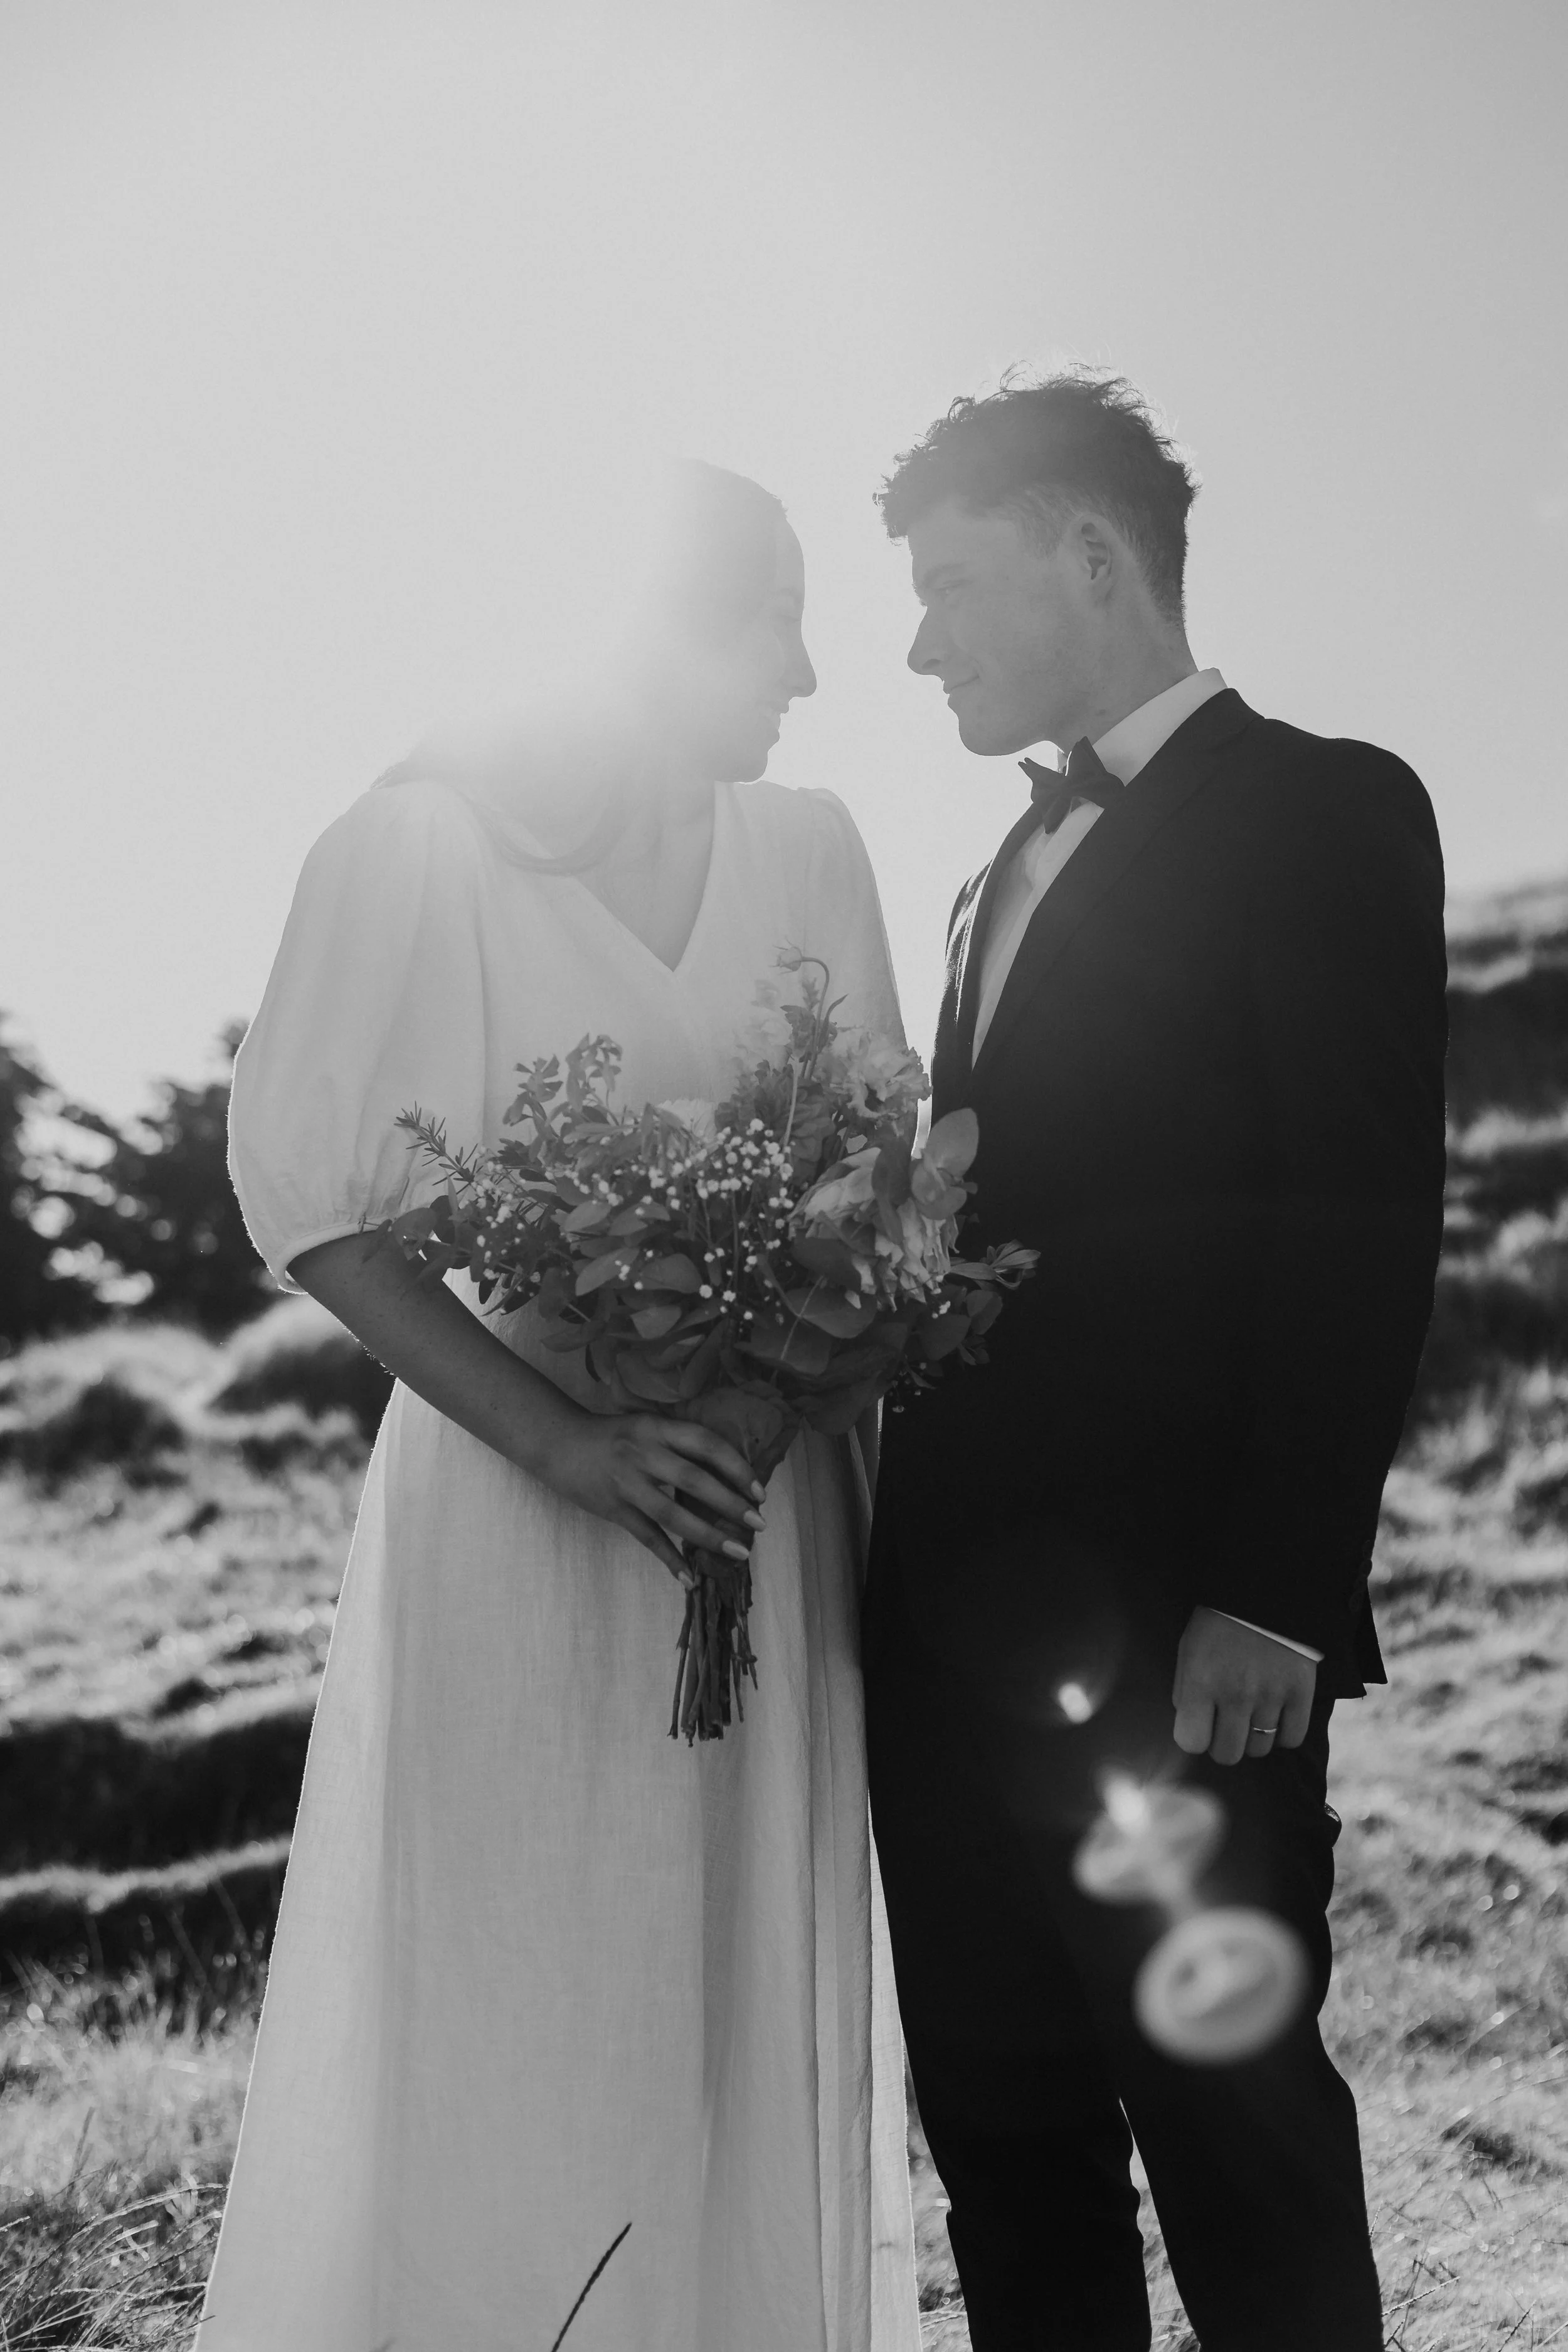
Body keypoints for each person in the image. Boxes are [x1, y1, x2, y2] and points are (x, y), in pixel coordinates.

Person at [199, 461, 921, 2352]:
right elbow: (316, 1207)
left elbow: (873, 1166)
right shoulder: (415, 847)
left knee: (740, 1989)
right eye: (768, 614)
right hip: (522, 1506)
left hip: (763, 1499)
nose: (807, 669)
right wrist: (568, 1440)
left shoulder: (812, 846)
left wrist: (766, 1406)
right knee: (536, 1973)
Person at [863, 373, 1447, 2350]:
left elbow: (1355, 1222)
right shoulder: (972, 887)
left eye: (950, 581)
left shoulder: (1323, 803)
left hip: (1190, 1652)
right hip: (938, 1644)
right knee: (1006, 2145)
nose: (917, 636)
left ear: (1091, 554)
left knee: (1238, 2138)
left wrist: (1271, 1593)